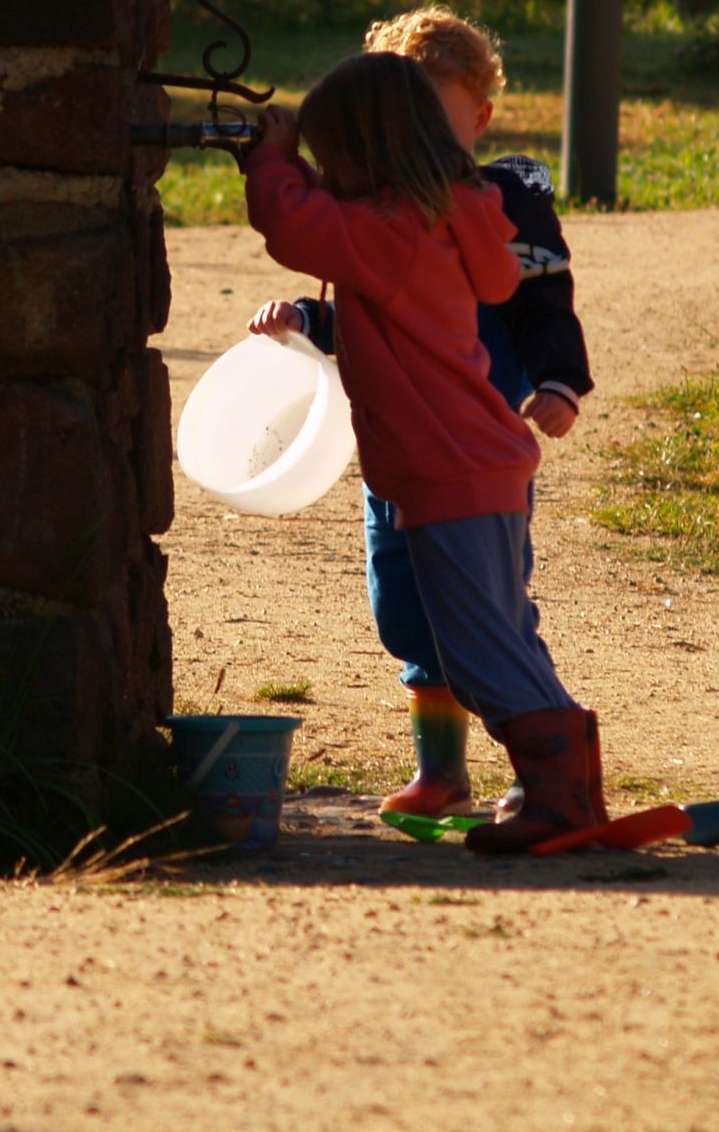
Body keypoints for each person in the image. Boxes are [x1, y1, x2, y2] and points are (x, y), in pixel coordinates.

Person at [243, 50, 606, 855]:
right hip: (481, 461)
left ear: (366, 158)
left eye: (335, 159)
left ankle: (558, 796)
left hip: (446, 468)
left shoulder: (393, 231)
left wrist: (274, 155)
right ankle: (571, 786)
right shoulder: (456, 215)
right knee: (504, 636)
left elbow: (293, 224)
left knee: (477, 654)